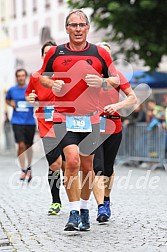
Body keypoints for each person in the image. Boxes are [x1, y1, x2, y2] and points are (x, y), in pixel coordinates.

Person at [38, 9, 120, 231]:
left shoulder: (99, 53)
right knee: (72, 161)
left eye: (81, 25)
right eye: (73, 25)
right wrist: (51, 85)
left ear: (87, 28)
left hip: (90, 119)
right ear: (67, 28)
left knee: (87, 166)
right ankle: (73, 212)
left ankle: (84, 209)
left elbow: (115, 78)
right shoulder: (55, 53)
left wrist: (102, 83)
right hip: (63, 117)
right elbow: (42, 77)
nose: (77, 29)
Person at [93, 42, 137, 222]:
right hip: (93, 127)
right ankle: (101, 207)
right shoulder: (89, 76)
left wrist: (117, 106)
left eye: (107, 55)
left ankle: (107, 199)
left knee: (108, 169)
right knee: (98, 169)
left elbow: (132, 98)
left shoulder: (117, 76)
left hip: (113, 127)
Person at [26, 41, 62, 215]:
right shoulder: (35, 76)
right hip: (46, 124)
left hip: (66, 123)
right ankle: (56, 201)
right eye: (46, 53)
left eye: (52, 53)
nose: (49, 56)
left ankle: (77, 201)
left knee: (70, 163)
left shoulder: (65, 73)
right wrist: (31, 98)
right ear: (42, 57)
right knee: (55, 164)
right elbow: (29, 95)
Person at [5, 69, 36, 182]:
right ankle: (23, 170)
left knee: (29, 146)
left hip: (30, 122)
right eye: (19, 76)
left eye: (23, 76)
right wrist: (10, 103)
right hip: (17, 121)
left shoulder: (31, 89)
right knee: (21, 145)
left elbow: (38, 100)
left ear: (26, 77)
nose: (21, 78)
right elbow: (7, 99)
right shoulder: (12, 90)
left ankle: (29, 167)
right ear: (16, 77)